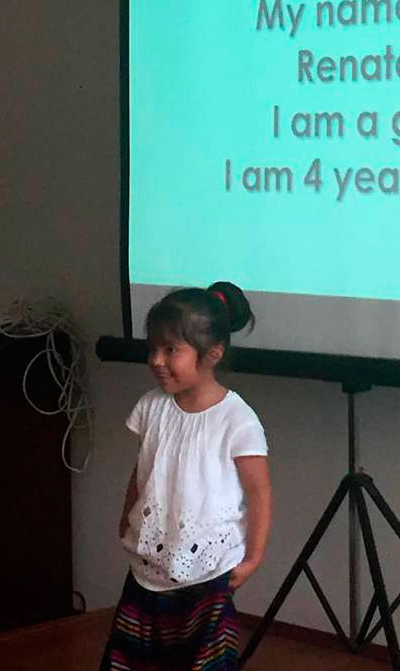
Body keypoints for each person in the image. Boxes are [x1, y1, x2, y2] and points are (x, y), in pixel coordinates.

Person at [100, 282, 272, 671]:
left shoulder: (237, 420)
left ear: (212, 354)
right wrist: (127, 517)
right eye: (153, 348)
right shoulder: (151, 407)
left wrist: (253, 557)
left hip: (208, 574)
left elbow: (259, 492)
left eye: (171, 350)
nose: (157, 360)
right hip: (148, 567)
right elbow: (143, 470)